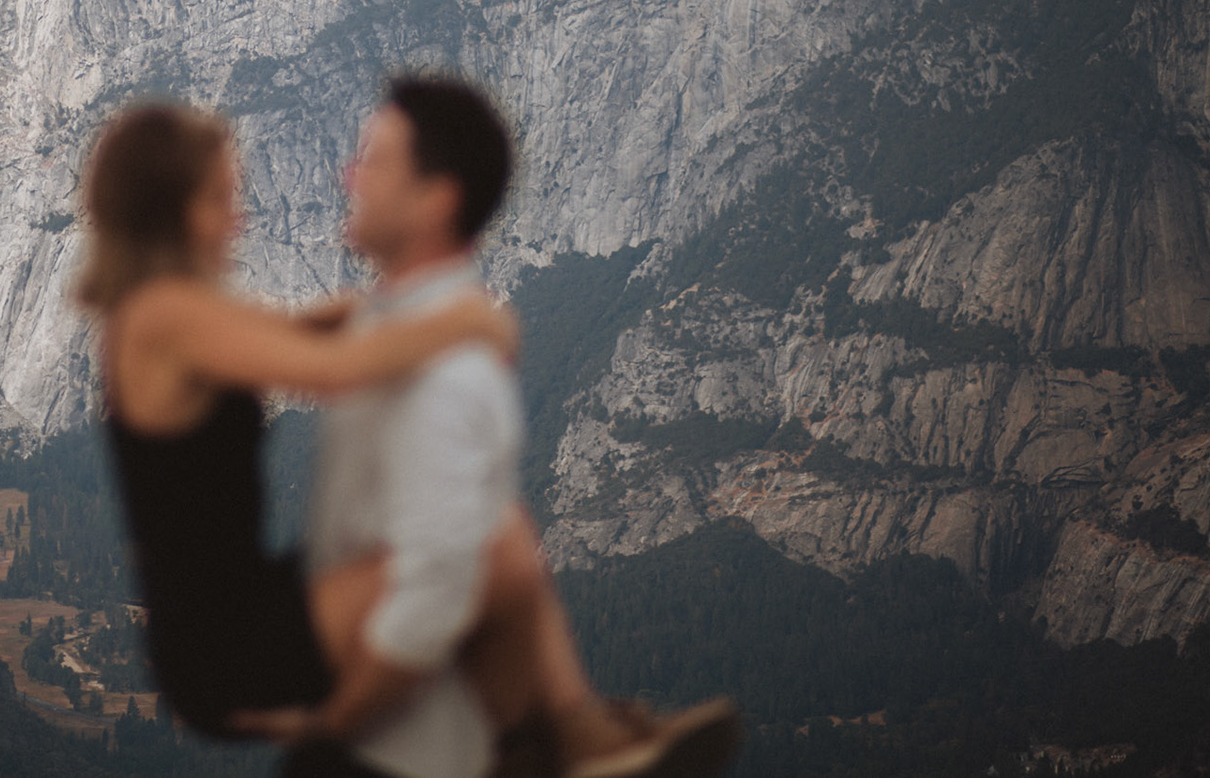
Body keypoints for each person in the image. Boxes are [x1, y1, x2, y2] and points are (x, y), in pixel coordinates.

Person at [76, 94, 740, 778]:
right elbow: (334, 371)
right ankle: (554, 744)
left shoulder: (174, 312)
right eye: (222, 197)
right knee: (486, 551)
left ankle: (561, 735)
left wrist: (374, 308)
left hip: (244, 598)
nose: (239, 217)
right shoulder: (162, 313)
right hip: (222, 639)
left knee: (498, 534)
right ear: (174, 210)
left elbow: (292, 331)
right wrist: (469, 321)